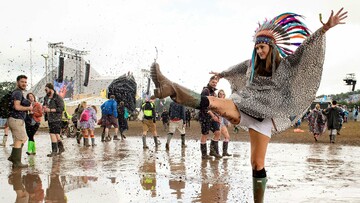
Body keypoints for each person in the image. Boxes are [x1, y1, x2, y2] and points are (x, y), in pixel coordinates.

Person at [150, 8, 347, 203]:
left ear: (271, 47)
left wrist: (325, 29)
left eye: (262, 47)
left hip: (264, 117)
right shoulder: (253, 64)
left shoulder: (285, 65)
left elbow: (304, 49)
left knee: (257, 164)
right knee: (214, 103)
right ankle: (170, 88)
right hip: (244, 105)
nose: (259, 51)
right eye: (257, 48)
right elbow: (241, 66)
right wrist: (223, 73)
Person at [7, 75, 32, 168]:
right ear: (17, 82)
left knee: (22, 138)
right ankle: (17, 162)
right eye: (22, 82)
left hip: (15, 119)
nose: (24, 84)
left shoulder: (18, 92)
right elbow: (17, 107)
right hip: (16, 119)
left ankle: (13, 157)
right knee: (20, 139)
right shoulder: (17, 93)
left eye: (25, 82)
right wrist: (28, 108)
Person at [198, 76, 222, 159]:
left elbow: (214, 106)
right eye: (213, 82)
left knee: (217, 132)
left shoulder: (214, 93)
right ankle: (204, 155)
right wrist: (212, 115)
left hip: (213, 116)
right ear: (209, 81)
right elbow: (203, 105)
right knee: (205, 134)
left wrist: (217, 115)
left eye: (216, 83)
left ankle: (213, 151)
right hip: (204, 116)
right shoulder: (206, 91)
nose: (214, 84)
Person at [43, 83, 65, 157]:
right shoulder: (46, 98)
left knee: (53, 134)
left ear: (51, 89)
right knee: (56, 134)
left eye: (46, 89)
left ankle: (54, 151)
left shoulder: (58, 97)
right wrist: (44, 108)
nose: (45, 91)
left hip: (56, 118)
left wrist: (50, 110)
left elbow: (61, 108)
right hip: (49, 118)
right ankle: (60, 148)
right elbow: (44, 105)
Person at [217, 90, 232, 156]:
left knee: (227, 137)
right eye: (220, 94)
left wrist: (227, 122)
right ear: (218, 95)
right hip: (217, 122)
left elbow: (225, 114)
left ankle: (224, 152)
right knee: (217, 137)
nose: (221, 95)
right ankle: (216, 153)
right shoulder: (216, 102)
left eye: (223, 94)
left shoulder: (225, 103)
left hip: (222, 122)